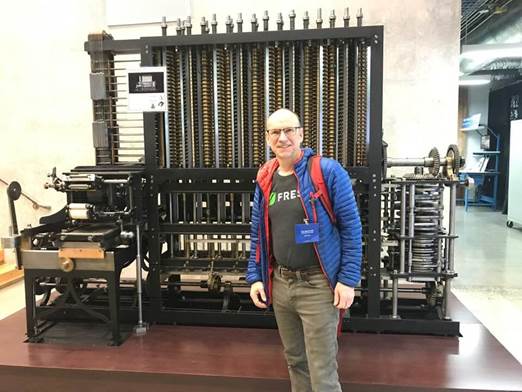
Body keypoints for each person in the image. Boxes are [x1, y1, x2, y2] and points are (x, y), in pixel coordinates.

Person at [246, 108, 362, 392]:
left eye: (288, 130)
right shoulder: (266, 176)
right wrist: (256, 277)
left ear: (300, 134)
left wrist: (347, 280)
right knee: (295, 361)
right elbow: (258, 232)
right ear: (268, 138)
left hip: (318, 286)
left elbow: (352, 228)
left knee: (322, 370)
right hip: (282, 284)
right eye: (275, 132)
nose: (282, 137)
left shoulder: (327, 171)